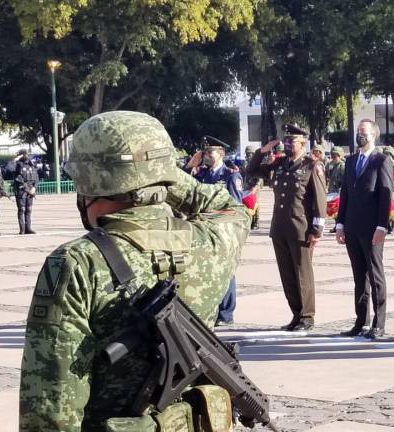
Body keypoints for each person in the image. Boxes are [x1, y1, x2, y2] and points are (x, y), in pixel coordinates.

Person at [19, 111, 250, 431]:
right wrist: (160, 173)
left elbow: (49, 412)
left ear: (91, 182)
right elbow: (232, 208)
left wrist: (149, 173)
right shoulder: (213, 241)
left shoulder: (77, 263)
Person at [246, 124, 327, 331]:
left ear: (303, 143)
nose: (289, 144)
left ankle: (307, 317)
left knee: (302, 274)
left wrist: (317, 230)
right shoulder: (280, 164)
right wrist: (262, 151)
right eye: (287, 141)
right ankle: (296, 314)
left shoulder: (311, 165)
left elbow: (319, 200)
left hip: (300, 227)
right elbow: (252, 171)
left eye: (293, 141)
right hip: (280, 227)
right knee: (287, 274)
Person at [335, 119, 394, 339]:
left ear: (374, 135)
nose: (360, 135)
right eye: (358, 131)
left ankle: (379, 323)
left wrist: (382, 225)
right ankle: (361, 321)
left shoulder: (382, 160)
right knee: (359, 276)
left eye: (364, 132)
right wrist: (340, 224)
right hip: (352, 226)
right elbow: (345, 194)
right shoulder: (351, 161)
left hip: (372, 228)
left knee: (375, 275)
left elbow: (385, 195)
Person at [185, 143, 246, 326]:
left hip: (222, 230)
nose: (207, 156)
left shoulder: (230, 175)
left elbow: (235, 206)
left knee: (225, 270)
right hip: (201, 230)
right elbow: (181, 184)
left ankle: (226, 314)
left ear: (221, 154)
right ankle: (209, 310)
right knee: (206, 270)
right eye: (205, 152)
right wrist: (189, 166)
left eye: (210, 152)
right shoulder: (201, 174)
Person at [13, 149, 38, 235]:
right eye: (25, 154)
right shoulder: (17, 164)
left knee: (29, 209)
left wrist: (34, 187)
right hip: (21, 191)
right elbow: (8, 170)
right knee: (22, 209)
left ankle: (28, 228)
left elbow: (36, 177)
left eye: (27, 154)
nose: (27, 156)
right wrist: (15, 159)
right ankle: (22, 229)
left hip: (30, 191)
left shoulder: (31, 164)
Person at [243, 145, 263, 230]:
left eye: (250, 153)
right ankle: (250, 221)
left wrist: (256, 187)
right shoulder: (245, 162)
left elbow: (260, 176)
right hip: (247, 185)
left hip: (255, 185)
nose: (248, 155)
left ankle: (256, 222)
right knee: (247, 204)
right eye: (247, 153)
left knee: (255, 203)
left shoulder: (257, 162)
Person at [383, 146, 394, 234]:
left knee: (393, 208)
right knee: (386, 208)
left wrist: (392, 188)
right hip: (385, 189)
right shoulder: (384, 163)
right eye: (385, 154)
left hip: (393, 190)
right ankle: (388, 226)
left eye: (388, 154)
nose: (387, 156)